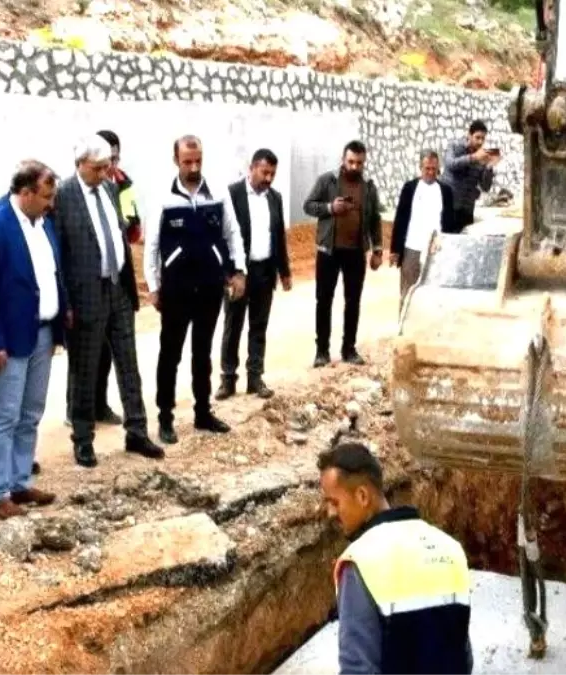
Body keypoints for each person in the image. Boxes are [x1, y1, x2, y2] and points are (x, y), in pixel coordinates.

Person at [0, 161, 67, 519]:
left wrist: (60, 318)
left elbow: (54, 272)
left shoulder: (43, 224)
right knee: (3, 415)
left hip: (42, 332)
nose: (51, 204)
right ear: (25, 193)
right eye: (46, 197)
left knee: (30, 412)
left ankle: (19, 482)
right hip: (8, 338)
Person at [54, 135, 163, 468]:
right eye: (99, 168)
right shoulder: (63, 197)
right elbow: (58, 254)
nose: (105, 173)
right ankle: (84, 440)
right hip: (86, 295)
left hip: (117, 290)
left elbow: (119, 237)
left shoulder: (111, 190)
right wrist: (66, 303)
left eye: (108, 166)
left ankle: (137, 431)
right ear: (80, 164)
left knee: (129, 364)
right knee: (85, 370)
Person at [318, 440, 473, 675]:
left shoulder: (361, 561)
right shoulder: (450, 549)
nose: (330, 513)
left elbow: (358, 669)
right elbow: (463, 658)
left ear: (362, 496)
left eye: (334, 502)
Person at [143, 134, 247, 444]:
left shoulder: (217, 194)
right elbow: (151, 246)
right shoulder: (163, 195)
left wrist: (238, 271)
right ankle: (165, 418)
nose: (193, 166)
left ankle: (203, 412)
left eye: (198, 160)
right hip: (176, 289)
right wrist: (153, 286)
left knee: (202, 352)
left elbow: (232, 233)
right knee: (170, 354)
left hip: (210, 286)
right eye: (187, 161)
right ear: (176, 161)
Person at [215, 148, 292, 401]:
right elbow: (223, 235)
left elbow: (278, 235)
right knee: (233, 325)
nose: (268, 178)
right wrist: (229, 272)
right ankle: (228, 379)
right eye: (264, 172)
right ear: (252, 168)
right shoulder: (233, 193)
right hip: (239, 273)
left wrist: (285, 271)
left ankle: (255, 377)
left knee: (259, 326)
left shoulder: (275, 198)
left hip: (265, 271)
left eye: (272, 173)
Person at [302, 140, 383, 368]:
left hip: (356, 253)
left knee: (353, 301)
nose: (355, 167)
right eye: (351, 162)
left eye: (359, 163)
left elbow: (375, 219)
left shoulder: (368, 186)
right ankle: (322, 351)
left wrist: (377, 249)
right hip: (329, 252)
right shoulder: (327, 181)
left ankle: (349, 349)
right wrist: (330, 208)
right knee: (324, 300)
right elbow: (308, 205)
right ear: (343, 160)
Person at [390, 150, 456, 307]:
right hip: (412, 248)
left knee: (434, 292)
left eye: (434, 169)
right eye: (427, 168)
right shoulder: (410, 188)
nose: (431, 172)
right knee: (408, 291)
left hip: (436, 250)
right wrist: (395, 250)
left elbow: (449, 222)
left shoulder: (445, 191)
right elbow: (400, 219)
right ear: (421, 167)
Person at [441, 120, 498, 229]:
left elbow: (485, 187)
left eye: (483, 138)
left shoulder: (482, 156)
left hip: (467, 209)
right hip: (449, 205)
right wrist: (473, 157)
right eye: (477, 137)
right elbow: (450, 164)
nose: (480, 142)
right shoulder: (455, 146)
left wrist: (489, 167)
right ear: (469, 135)